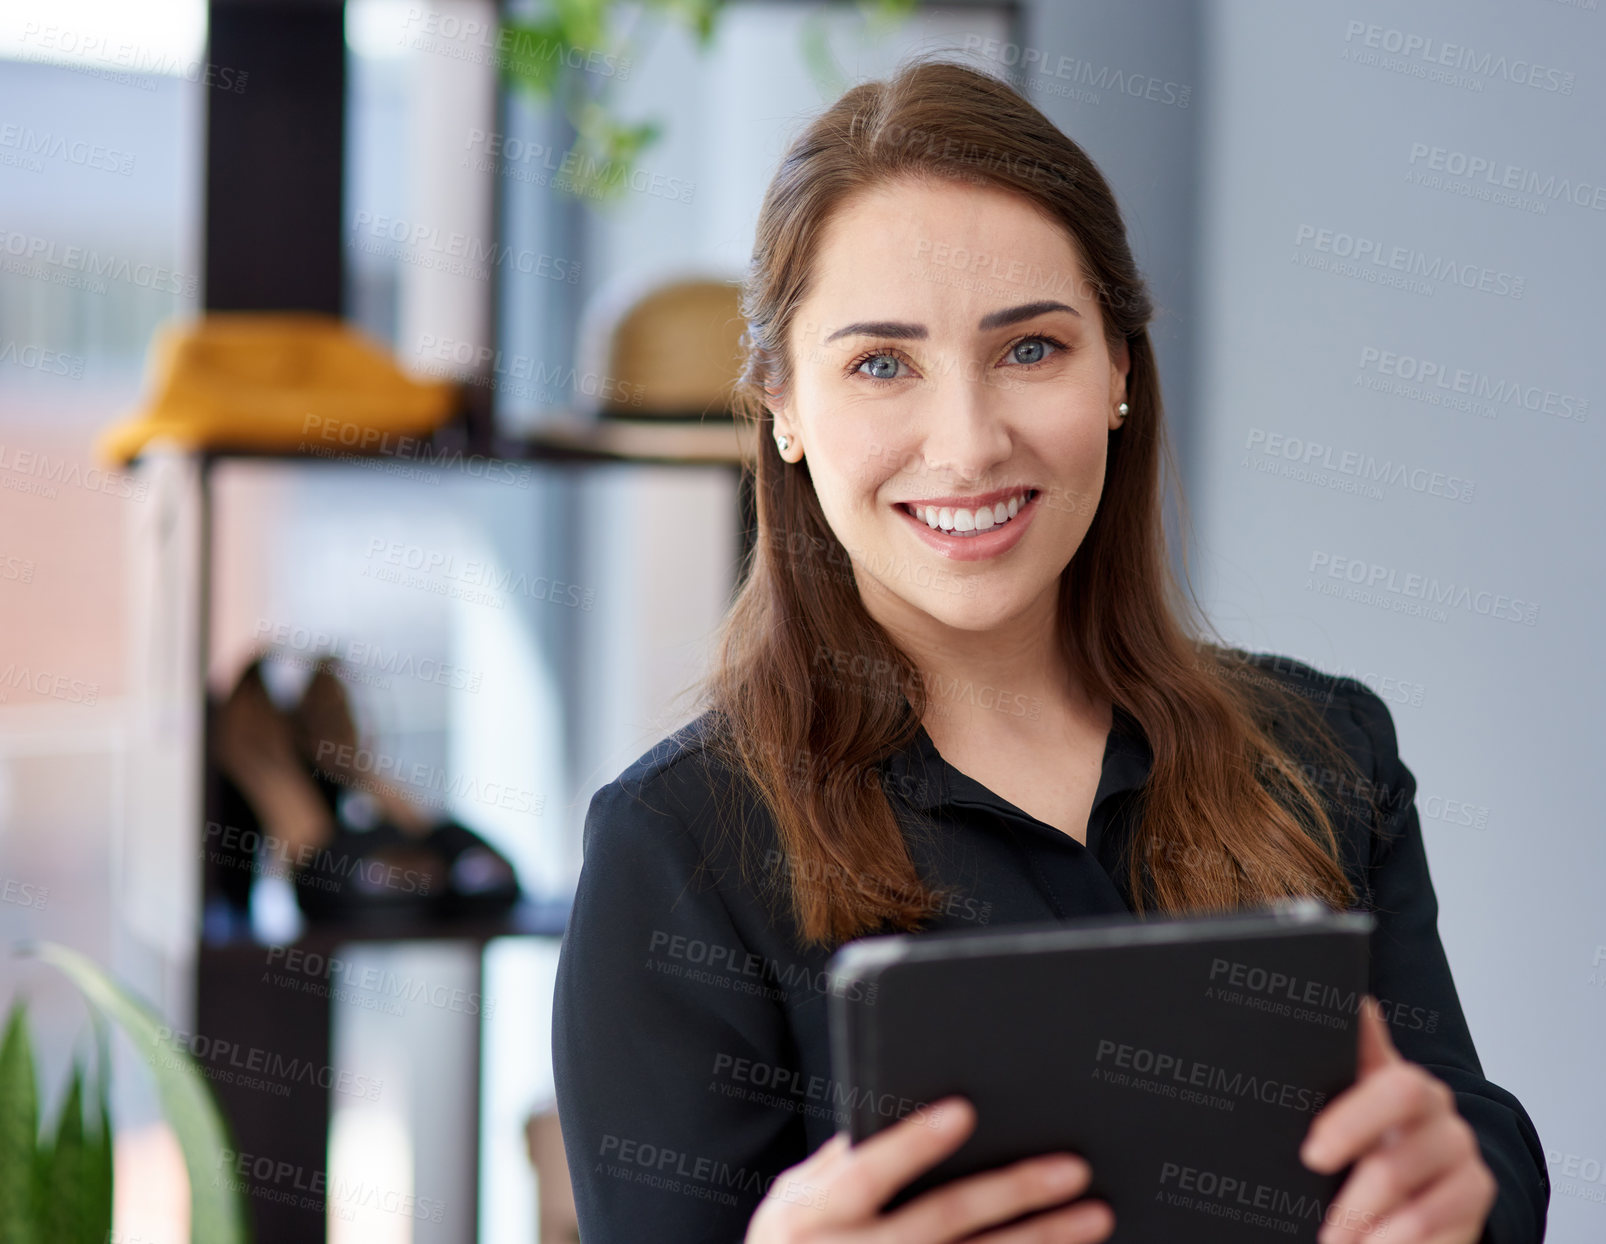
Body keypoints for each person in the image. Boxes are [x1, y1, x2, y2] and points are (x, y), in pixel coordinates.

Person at [551, 55, 1548, 1244]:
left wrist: (1466, 1180)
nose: (968, 445)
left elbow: (1467, 1138)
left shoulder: (1325, 751)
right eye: (881, 364)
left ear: (1119, 368)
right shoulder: (680, 845)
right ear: (782, 406)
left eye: (1030, 348)